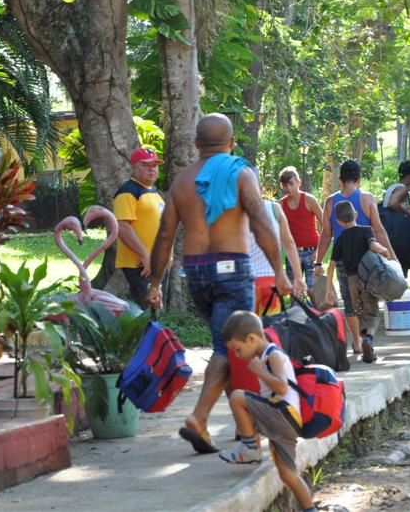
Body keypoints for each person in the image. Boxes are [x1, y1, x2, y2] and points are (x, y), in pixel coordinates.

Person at [145, 113, 291, 455]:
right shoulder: (240, 173)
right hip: (233, 269)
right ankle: (199, 418)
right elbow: (260, 222)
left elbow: (165, 236)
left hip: (195, 272)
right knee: (229, 350)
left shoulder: (182, 182)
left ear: (197, 145)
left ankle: (246, 432)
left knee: (229, 347)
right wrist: (279, 271)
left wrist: (154, 282)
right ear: (231, 143)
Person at [219, 311, 316, 512]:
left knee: (237, 397)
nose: (237, 355)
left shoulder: (274, 354)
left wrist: (259, 371)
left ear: (252, 338)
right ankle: (310, 509)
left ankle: (250, 449)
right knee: (287, 474)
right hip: (285, 421)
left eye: (238, 349)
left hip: (284, 415)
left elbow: (281, 387)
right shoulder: (264, 356)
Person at [313, 159, 396, 355]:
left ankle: (357, 342)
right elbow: (379, 231)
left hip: (344, 263)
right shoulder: (367, 199)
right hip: (368, 263)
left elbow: (325, 234)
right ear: (358, 179)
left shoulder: (331, 202)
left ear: (340, 180)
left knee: (350, 304)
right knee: (369, 302)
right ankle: (368, 338)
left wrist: (318, 261)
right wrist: (391, 256)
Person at [325, 200, 389, 363]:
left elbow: (331, 266)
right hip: (368, 278)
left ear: (338, 221)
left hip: (352, 281)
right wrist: (383, 250)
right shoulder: (366, 230)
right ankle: (369, 340)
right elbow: (373, 245)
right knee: (372, 312)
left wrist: (328, 290)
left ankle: (366, 346)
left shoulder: (340, 240)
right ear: (356, 215)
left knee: (358, 312)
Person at [113, 147, 166, 308]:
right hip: (141, 264)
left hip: (157, 262)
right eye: (146, 166)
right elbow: (123, 228)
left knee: (157, 309)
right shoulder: (128, 192)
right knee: (149, 310)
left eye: (155, 166)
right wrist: (145, 256)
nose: (152, 170)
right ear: (134, 167)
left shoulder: (154, 192)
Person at [250, 184, 306, 315]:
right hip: (272, 283)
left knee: (249, 332)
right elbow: (289, 244)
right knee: (270, 331)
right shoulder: (274, 209)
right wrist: (298, 277)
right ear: (261, 188)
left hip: (246, 285)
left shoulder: (234, 213)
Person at [279, 166, 323, 292]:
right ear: (282, 186)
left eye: (291, 184)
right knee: (294, 293)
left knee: (313, 291)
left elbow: (326, 225)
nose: (289, 188)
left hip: (311, 251)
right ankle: (297, 311)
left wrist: (319, 251)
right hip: (293, 252)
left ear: (299, 182)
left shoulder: (309, 200)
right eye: (285, 185)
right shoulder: (281, 205)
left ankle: (316, 312)